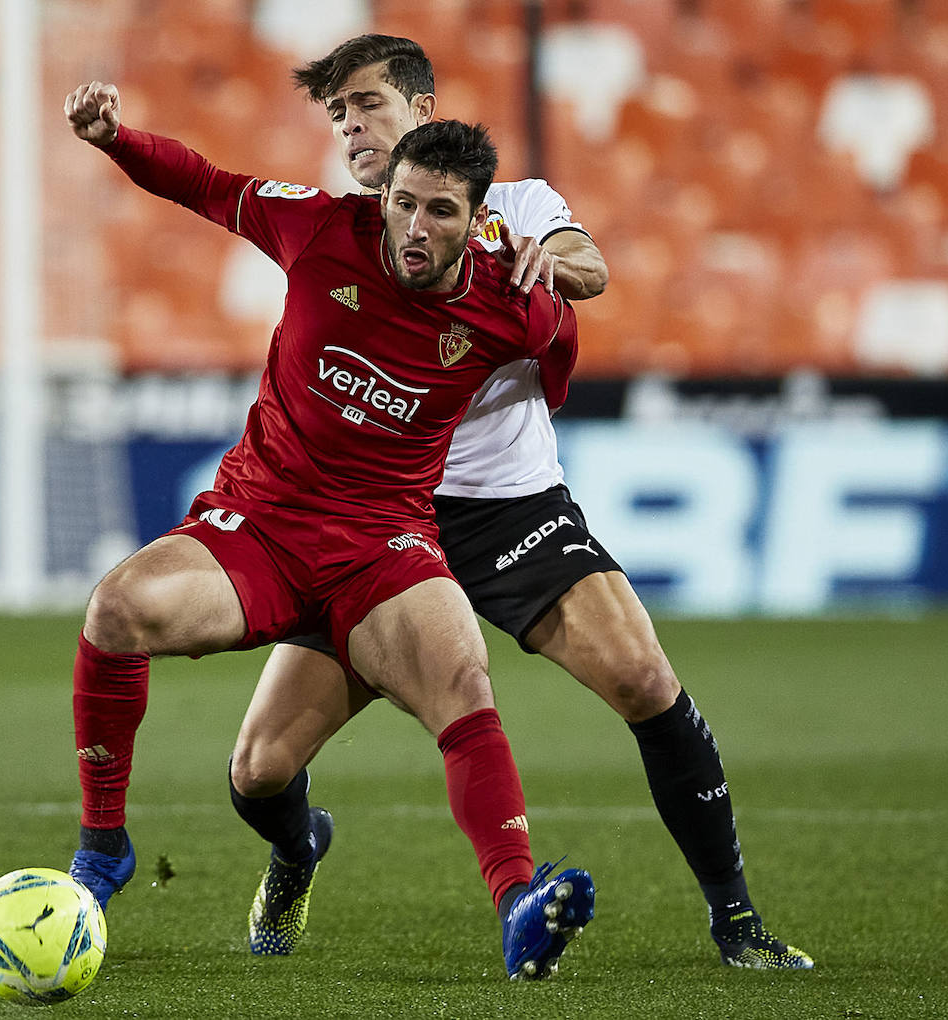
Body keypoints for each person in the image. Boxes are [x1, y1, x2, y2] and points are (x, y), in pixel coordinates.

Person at [228, 35, 813, 971]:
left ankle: (738, 923)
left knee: (644, 680)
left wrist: (552, 258)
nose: (350, 126)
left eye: (367, 104)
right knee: (258, 771)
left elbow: (590, 264)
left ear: (421, 113)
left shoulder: (513, 206)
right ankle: (298, 850)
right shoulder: (341, 225)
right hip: (370, 522)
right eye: (337, 113)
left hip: (503, 508)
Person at [61, 80, 594, 981]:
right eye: (403, 205)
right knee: (130, 623)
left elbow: (560, 350)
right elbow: (203, 181)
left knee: (463, 675)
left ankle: (517, 906)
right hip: (259, 526)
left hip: (382, 547)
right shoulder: (316, 228)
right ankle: (108, 846)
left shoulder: (514, 301)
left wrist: (565, 275)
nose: (414, 228)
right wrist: (117, 139)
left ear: (478, 221)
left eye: (440, 212)